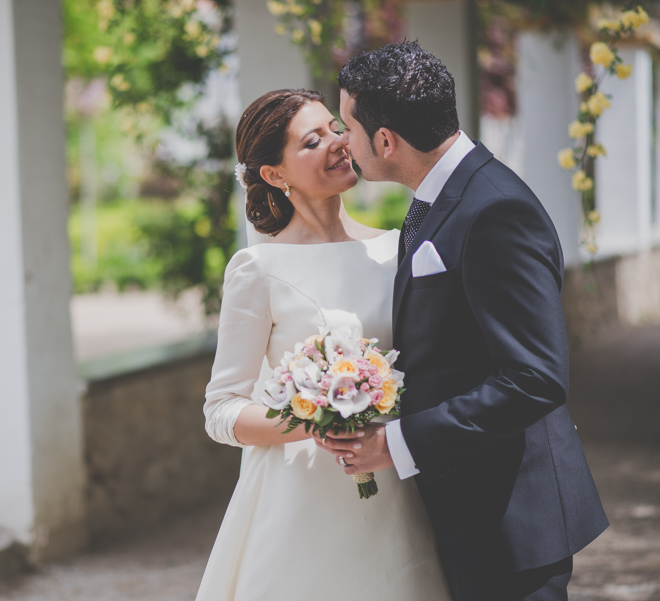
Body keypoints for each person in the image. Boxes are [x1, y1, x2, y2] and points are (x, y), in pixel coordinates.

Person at [316, 41, 609, 601]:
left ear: (385, 140)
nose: (343, 143)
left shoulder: (496, 209)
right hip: (469, 505)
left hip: (510, 516)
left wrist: (396, 442)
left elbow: (535, 377)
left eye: (347, 128)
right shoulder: (439, 194)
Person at [196, 88, 451, 600]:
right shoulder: (258, 268)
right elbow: (221, 410)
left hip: (397, 484)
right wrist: (317, 418)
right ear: (275, 174)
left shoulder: (394, 248)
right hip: (301, 500)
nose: (338, 143)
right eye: (314, 141)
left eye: (337, 128)